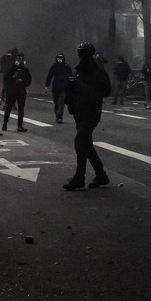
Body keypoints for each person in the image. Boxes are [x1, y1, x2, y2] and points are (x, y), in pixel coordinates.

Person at [62, 43, 111, 191]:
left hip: (91, 112)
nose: (81, 58)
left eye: (82, 55)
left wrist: (82, 86)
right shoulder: (81, 71)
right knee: (87, 145)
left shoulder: (98, 72)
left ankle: (80, 177)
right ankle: (101, 175)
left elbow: (104, 91)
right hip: (80, 111)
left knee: (80, 141)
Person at [3, 51, 31, 132]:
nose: (20, 60)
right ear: (15, 59)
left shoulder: (25, 69)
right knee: (8, 108)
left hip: (21, 91)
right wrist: (13, 78)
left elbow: (29, 80)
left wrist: (22, 81)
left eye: (22, 58)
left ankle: (20, 125)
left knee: (21, 109)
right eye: (19, 58)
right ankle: (5, 124)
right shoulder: (11, 68)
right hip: (11, 91)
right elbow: (6, 79)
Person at [46, 53, 72, 123]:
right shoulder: (54, 66)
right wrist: (46, 86)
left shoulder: (66, 67)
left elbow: (71, 77)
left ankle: (60, 117)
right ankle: (57, 116)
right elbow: (49, 76)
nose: (60, 60)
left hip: (63, 87)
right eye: (58, 58)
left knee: (61, 102)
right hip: (55, 87)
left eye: (61, 58)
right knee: (56, 103)